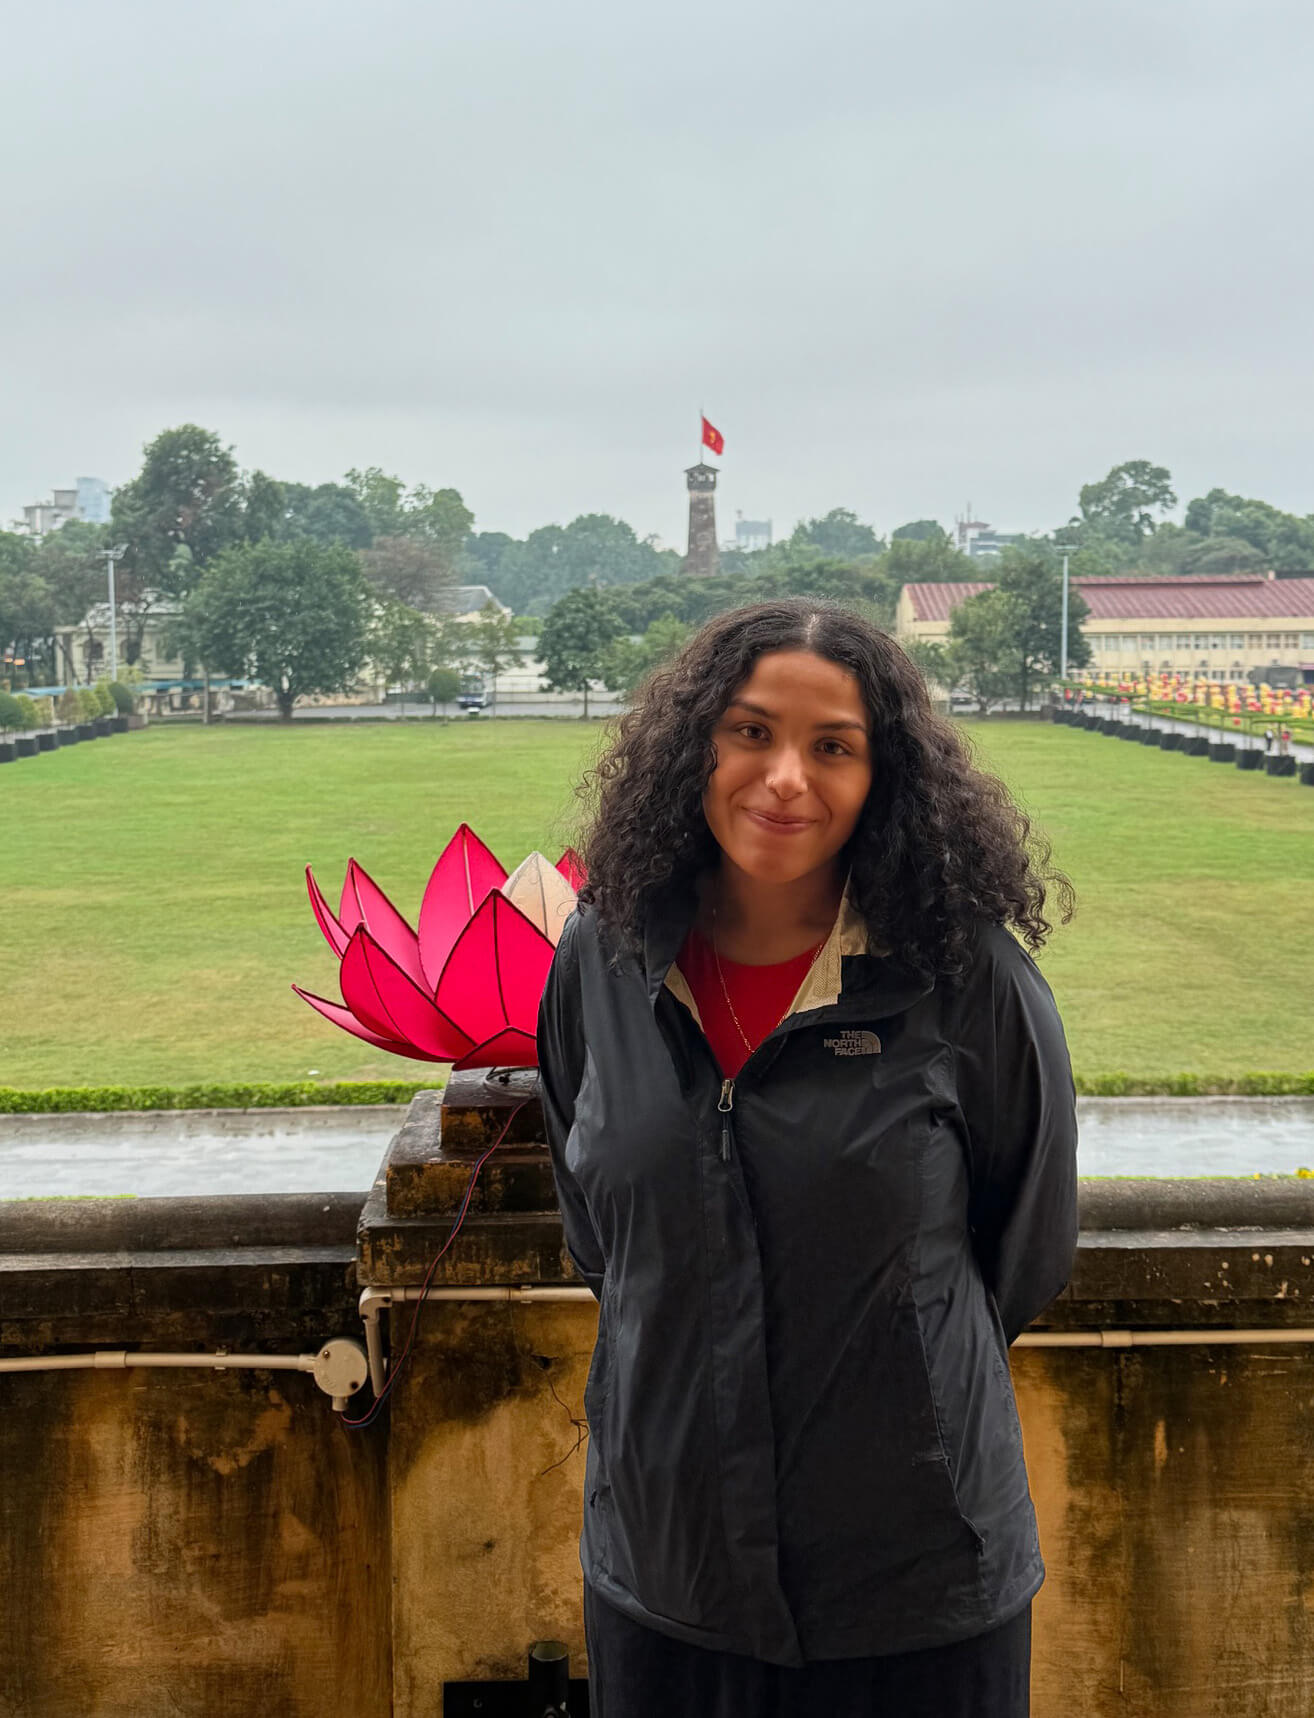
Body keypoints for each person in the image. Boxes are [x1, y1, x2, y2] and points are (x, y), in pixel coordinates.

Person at [537, 601, 1079, 1718]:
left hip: (913, 1589)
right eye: (749, 731)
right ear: (697, 744)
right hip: (667, 1572)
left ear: (885, 776)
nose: (784, 776)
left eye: (832, 745)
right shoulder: (604, 952)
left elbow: (1020, 1251)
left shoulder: (965, 978)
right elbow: (603, 1234)